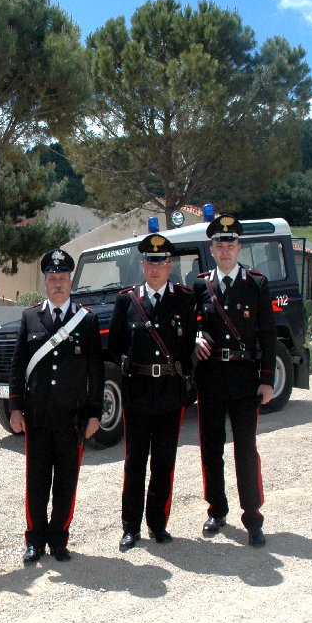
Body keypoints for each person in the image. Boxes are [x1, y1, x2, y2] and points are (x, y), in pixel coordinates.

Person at [9, 247, 104, 564]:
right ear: (45, 282)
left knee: (66, 483)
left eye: (63, 277)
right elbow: (18, 366)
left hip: (71, 419)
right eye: (52, 277)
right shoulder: (30, 317)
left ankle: (59, 539)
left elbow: (96, 371)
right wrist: (15, 408)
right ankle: (34, 540)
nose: (58, 283)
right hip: (37, 417)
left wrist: (94, 413)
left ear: (70, 281)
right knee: (36, 483)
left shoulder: (86, 321)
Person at [108, 223, 196, 551]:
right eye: (150, 263)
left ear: (170, 265)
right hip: (138, 393)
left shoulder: (184, 300)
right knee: (134, 463)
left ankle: (158, 525)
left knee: (163, 462)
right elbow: (115, 347)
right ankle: (130, 527)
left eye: (161, 263)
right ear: (142, 265)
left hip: (169, 394)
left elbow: (188, 349)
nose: (155, 269)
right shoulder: (126, 301)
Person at [192, 214, 277, 547]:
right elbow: (192, 326)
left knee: (245, 449)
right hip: (210, 378)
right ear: (211, 249)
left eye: (230, 243)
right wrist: (193, 340)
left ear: (239, 247)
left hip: (244, 379)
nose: (225, 249)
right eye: (219, 244)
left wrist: (267, 379)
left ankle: (252, 516)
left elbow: (268, 335)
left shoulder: (256, 283)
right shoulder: (200, 285)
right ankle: (216, 509)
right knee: (211, 449)